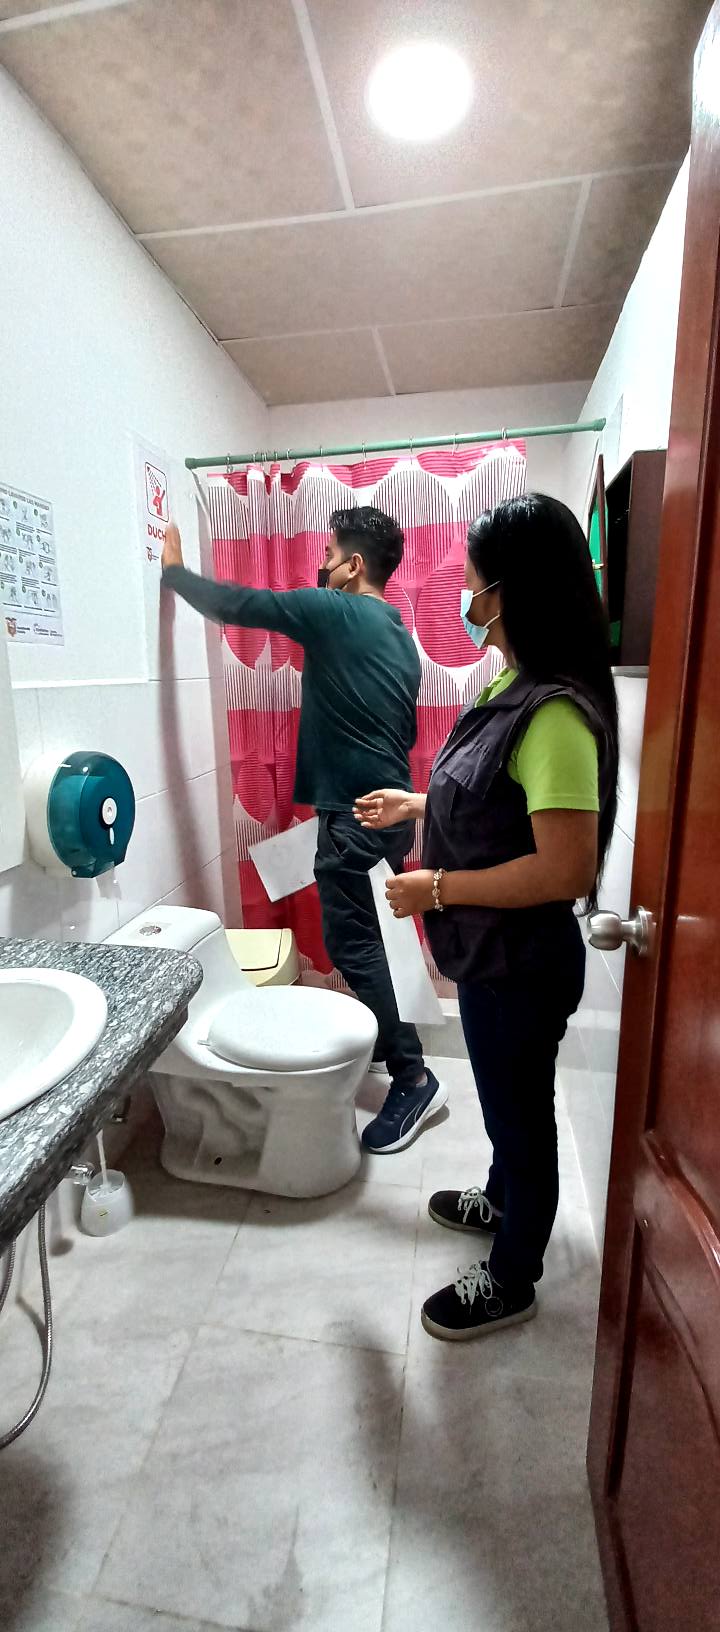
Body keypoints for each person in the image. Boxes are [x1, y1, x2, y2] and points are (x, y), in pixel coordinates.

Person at [355, 492, 618, 1340]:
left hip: (521, 964)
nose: (465, 596)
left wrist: (436, 888)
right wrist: (418, 802)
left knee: (520, 1119)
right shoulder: (514, 683)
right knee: (508, 1105)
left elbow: (565, 867)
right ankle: (501, 1200)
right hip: (491, 956)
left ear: (509, 591)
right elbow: (499, 797)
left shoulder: (555, 714)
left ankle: (512, 1277)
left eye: (473, 582)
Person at [161, 507, 447, 1153]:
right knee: (369, 942)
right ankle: (390, 1047)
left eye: (328, 554)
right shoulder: (398, 632)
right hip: (387, 811)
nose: (320, 565)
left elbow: (242, 604)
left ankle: (412, 1077)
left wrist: (175, 573)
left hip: (354, 815)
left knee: (354, 946)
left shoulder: (335, 611)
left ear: (354, 565)